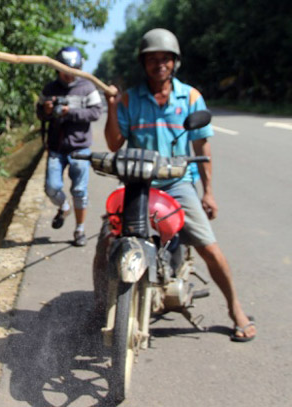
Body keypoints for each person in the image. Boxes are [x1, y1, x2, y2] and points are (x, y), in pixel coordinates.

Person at [103, 28, 256, 342]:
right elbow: (115, 143)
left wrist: (208, 192)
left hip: (177, 184)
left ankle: (235, 308)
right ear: (143, 63)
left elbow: (202, 147)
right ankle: (104, 303)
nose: (159, 65)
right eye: (152, 59)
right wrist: (113, 106)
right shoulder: (130, 97)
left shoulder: (191, 97)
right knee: (107, 240)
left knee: (209, 249)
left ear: (175, 63)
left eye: (165, 59)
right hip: (138, 185)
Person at [37, 46, 103, 246]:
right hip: (57, 147)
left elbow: (96, 113)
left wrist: (70, 112)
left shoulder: (88, 88)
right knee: (51, 187)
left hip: (80, 149)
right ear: (57, 69)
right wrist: (47, 110)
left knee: (80, 191)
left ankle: (80, 229)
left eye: (72, 70)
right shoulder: (49, 89)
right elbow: (40, 114)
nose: (68, 75)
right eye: (64, 70)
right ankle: (64, 207)